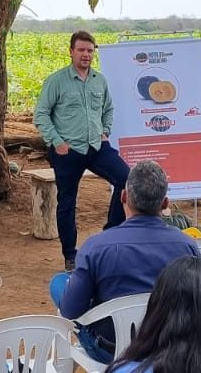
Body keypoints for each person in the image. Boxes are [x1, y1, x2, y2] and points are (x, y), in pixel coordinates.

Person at [50, 159, 200, 363]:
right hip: (169, 346)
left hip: (111, 349)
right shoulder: (187, 245)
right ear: (165, 204)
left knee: (59, 283)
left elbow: (70, 310)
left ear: (123, 197)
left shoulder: (95, 247)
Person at [33, 29, 130, 270]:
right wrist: (57, 142)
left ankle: (110, 233)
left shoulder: (99, 80)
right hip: (68, 150)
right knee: (67, 201)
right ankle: (70, 255)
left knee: (126, 179)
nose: (86, 54)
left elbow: (108, 108)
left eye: (90, 50)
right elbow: (41, 114)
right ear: (71, 52)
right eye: (81, 50)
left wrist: (105, 130)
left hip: (96, 146)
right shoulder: (57, 81)